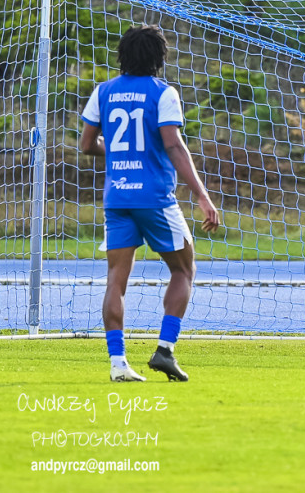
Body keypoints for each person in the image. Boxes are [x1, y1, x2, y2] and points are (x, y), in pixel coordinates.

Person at [80, 25, 220, 382]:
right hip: (155, 199)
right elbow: (173, 144)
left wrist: (115, 152)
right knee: (184, 270)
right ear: (159, 58)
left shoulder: (103, 91)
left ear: (122, 56)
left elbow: (86, 145)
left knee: (116, 279)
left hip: (117, 199)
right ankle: (165, 350)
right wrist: (202, 196)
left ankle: (118, 364)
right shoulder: (163, 93)